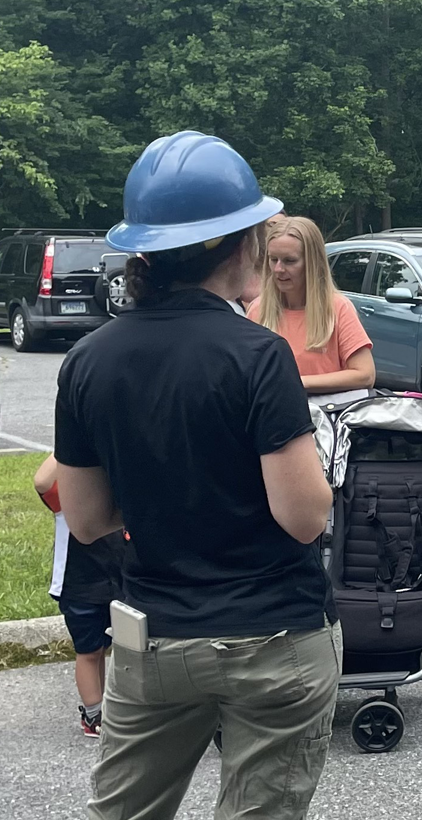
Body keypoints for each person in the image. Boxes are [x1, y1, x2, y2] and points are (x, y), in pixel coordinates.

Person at [55, 130, 339, 819]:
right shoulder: (259, 354)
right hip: (275, 637)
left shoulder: (88, 360)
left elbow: (87, 518)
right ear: (239, 244)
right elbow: (304, 516)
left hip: (156, 642)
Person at [35, 453, 125, 738]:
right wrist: (73, 439)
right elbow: (41, 480)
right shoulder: (67, 498)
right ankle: (94, 713)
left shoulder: (122, 487)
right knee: (89, 651)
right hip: (80, 584)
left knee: (120, 649)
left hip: (123, 582)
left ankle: (116, 708)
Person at [249, 216, 375, 403]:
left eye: (289, 261)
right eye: (273, 259)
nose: (278, 269)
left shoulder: (337, 308)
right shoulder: (257, 309)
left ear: (312, 263)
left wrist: (297, 382)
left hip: (327, 421)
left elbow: (365, 375)